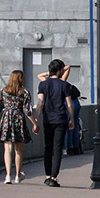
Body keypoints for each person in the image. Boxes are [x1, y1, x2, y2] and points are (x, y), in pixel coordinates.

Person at [0, 69, 37, 184]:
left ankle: (8, 176)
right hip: (19, 120)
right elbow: (27, 111)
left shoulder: (3, 91)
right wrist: (35, 123)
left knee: (7, 149)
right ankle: (18, 175)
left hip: (6, 119)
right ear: (20, 79)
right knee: (18, 150)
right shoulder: (24, 93)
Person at [37, 59, 73, 187]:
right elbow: (69, 104)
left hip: (47, 119)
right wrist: (72, 119)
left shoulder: (43, 84)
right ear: (59, 70)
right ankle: (53, 177)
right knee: (57, 149)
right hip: (60, 119)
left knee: (48, 147)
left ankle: (47, 175)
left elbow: (40, 103)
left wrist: (36, 120)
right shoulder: (64, 85)